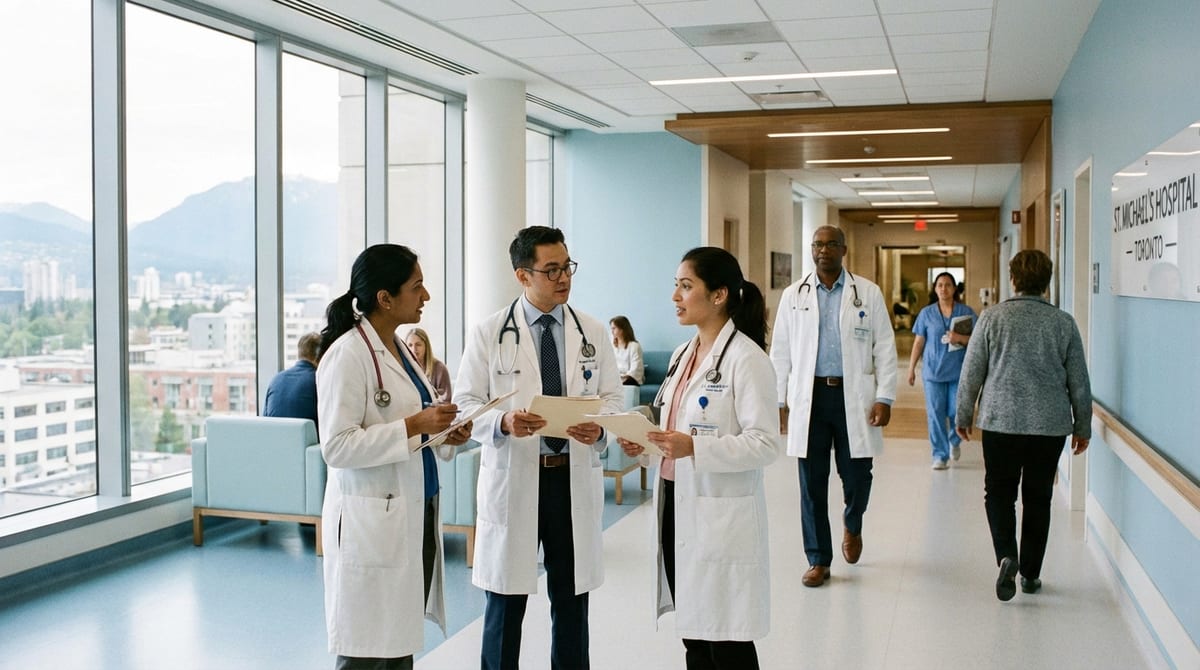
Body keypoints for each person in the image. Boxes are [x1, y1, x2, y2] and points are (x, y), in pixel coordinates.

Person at [453, 225, 622, 670]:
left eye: (567, 266)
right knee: (505, 604)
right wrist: (503, 422)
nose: (564, 277)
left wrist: (600, 430)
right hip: (516, 479)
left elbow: (613, 399)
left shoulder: (593, 331)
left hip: (571, 479)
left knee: (570, 602)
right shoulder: (489, 333)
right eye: (551, 270)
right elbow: (464, 407)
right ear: (522, 276)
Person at [617, 246, 779, 670]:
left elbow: (765, 443)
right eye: (676, 286)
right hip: (675, 503)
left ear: (720, 294)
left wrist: (695, 448)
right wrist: (645, 441)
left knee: (726, 641)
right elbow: (671, 425)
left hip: (720, 517)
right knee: (693, 634)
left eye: (686, 286)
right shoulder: (681, 356)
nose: (675, 296)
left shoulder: (748, 360)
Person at [315, 244, 474, 669]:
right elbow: (337, 446)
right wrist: (415, 426)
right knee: (366, 650)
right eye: (416, 287)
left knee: (398, 642)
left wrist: (444, 434)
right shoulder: (347, 355)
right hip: (373, 522)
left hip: (412, 510)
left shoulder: (400, 350)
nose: (425, 297)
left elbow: (414, 425)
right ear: (385, 298)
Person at [955, 249, 1092, 602]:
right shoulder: (1063, 323)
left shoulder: (991, 318)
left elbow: (972, 373)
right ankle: (1030, 574)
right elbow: (1079, 381)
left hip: (1001, 422)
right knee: (1038, 498)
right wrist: (1083, 425)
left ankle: (1007, 556)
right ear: (1047, 282)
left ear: (1013, 280)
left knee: (999, 493)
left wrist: (962, 415)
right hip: (1049, 427)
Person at [770, 225, 897, 588]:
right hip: (810, 397)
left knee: (857, 475)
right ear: (811, 250)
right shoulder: (794, 295)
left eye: (830, 244)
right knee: (811, 482)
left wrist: (884, 396)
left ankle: (852, 524)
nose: (823, 250)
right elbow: (780, 353)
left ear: (843, 250)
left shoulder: (867, 294)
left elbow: (885, 347)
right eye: (817, 244)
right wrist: (779, 400)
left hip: (852, 397)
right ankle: (818, 559)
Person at [906, 272, 976, 470]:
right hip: (933, 373)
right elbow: (919, 342)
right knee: (935, 415)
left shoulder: (966, 312)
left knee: (956, 411)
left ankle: (954, 440)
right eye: (940, 285)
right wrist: (911, 368)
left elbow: (978, 340)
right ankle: (940, 455)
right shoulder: (926, 313)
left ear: (954, 289)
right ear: (935, 289)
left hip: (958, 372)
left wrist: (960, 338)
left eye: (947, 285)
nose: (943, 289)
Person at [263, 331, 321, 430]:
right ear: (319, 356)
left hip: (274, 441)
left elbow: (265, 419)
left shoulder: (276, 379)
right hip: (307, 444)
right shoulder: (318, 381)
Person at [405, 327, 452, 404]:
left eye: (418, 345)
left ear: (426, 346)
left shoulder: (440, 368)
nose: (414, 349)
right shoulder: (403, 368)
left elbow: (446, 400)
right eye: (410, 345)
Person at [609, 315, 645, 386]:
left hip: (630, 378)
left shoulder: (634, 346)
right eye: (611, 329)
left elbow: (636, 368)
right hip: (616, 377)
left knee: (621, 384)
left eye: (614, 328)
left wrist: (624, 376)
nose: (612, 331)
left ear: (622, 329)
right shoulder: (613, 346)